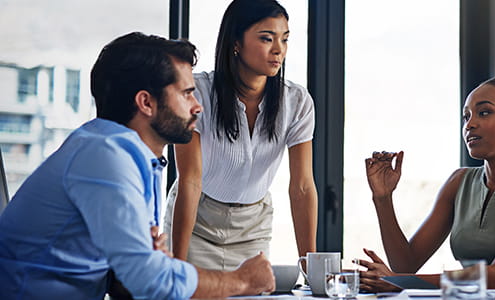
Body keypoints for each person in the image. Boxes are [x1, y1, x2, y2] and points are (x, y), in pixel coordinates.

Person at [0, 32, 275, 299]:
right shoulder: (105, 154)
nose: (197, 107)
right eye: (186, 94)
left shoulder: (138, 158)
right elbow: (150, 282)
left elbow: (128, 285)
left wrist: (150, 265)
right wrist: (240, 280)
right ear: (146, 102)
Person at [358, 64, 495, 290]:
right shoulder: (459, 182)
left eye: (484, 112)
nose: (470, 124)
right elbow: (406, 265)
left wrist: (398, 282)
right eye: (466, 116)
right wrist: (383, 198)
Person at [165, 0, 317, 271]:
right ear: (236, 42)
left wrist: (312, 268)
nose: (278, 49)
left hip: (253, 227)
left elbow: (302, 187)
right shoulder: (196, 93)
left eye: (284, 39)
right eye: (266, 38)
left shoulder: (297, 102)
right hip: (197, 222)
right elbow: (189, 181)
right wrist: (177, 263)